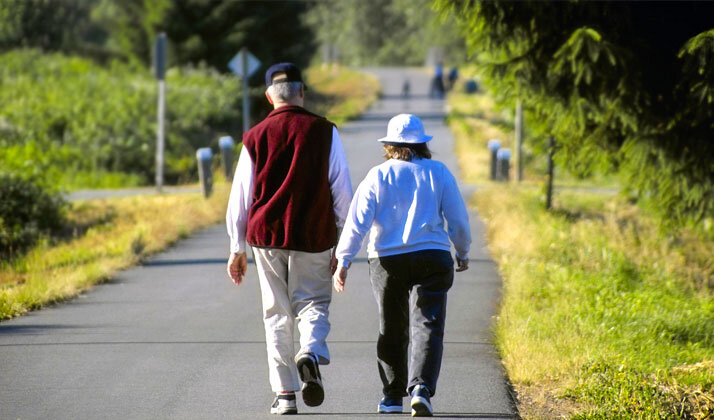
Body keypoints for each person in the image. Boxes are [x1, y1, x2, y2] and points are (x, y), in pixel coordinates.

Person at [226, 62, 353, 415]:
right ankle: (310, 350)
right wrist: (343, 246)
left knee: (276, 313)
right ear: (302, 92)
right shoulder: (325, 131)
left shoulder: (254, 136)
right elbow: (342, 191)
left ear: (270, 96)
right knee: (313, 302)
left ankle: (285, 396)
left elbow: (241, 195)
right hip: (313, 234)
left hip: (266, 237)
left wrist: (236, 248)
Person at [332, 114, 471, 417]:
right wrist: (462, 250)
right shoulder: (438, 172)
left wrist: (344, 260)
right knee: (428, 324)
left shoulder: (378, 175)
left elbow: (358, 221)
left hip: (387, 259)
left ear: (389, 145)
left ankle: (392, 397)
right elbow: (457, 218)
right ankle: (420, 389)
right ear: (422, 144)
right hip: (433, 255)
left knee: (391, 327)